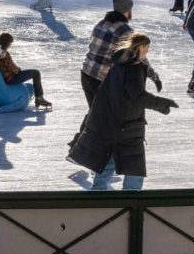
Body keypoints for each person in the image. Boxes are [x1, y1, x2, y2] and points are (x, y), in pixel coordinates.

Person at [68, 32, 178, 191]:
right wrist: (163, 104)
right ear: (140, 47)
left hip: (111, 123)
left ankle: (97, 195)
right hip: (127, 126)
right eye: (147, 47)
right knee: (134, 167)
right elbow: (138, 96)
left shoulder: (119, 64)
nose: (148, 51)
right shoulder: (135, 68)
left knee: (110, 159)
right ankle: (131, 202)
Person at [79, 0, 162, 109]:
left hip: (86, 73)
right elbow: (141, 56)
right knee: (105, 119)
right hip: (101, 79)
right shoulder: (125, 32)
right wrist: (155, 78)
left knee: (95, 117)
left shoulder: (101, 23)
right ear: (127, 10)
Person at [0, 33, 51, 110]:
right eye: (10, 43)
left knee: (34, 73)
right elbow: (11, 68)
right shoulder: (4, 54)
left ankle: (39, 98)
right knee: (36, 73)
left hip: (7, 77)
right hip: (11, 78)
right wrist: (18, 70)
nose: (10, 46)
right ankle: (39, 98)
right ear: (7, 43)